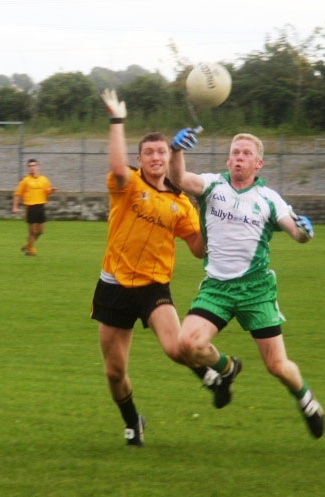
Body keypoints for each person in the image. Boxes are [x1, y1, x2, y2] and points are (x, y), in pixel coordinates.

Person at [91, 90, 235, 448]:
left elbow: (199, 250)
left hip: (154, 287)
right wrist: (117, 120)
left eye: (162, 152)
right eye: (149, 152)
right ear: (140, 160)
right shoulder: (128, 185)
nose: (156, 157)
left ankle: (219, 371)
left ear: (169, 157)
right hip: (114, 285)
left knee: (176, 348)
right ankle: (132, 421)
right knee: (114, 372)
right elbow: (115, 168)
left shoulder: (181, 203)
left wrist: (210, 220)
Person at [168, 128, 325, 439]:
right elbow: (179, 179)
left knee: (277, 366)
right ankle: (226, 369)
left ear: (259, 164)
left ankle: (307, 401)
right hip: (217, 289)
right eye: (235, 153)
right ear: (228, 159)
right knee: (186, 344)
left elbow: (297, 234)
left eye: (246, 154)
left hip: (256, 291)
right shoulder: (212, 185)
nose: (239, 157)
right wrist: (176, 152)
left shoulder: (268, 199)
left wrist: (305, 231)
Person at [12, 158, 58, 256]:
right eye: (30, 166)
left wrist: (52, 191)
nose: (32, 168)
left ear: (38, 167)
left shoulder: (44, 179)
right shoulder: (25, 180)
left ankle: (28, 245)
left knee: (40, 231)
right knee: (33, 231)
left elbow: (47, 192)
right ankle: (31, 251)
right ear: (28, 168)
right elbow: (17, 194)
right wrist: (15, 207)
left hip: (41, 206)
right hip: (30, 207)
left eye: (34, 166)